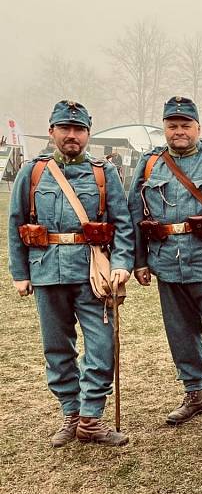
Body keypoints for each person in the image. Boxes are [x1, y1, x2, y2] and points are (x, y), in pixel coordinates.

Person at [8, 100, 134, 446]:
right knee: (57, 348)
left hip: (92, 274)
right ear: (52, 132)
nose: (72, 136)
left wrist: (122, 263)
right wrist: (19, 272)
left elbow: (122, 224)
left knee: (102, 346)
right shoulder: (33, 172)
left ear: (88, 134)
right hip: (46, 271)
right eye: (65, 128)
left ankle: (92, 417)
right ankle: (71, 413)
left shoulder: (103, 172)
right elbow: (16, 222)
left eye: (78, 130)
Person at [127, 97, 202, 435]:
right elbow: (134, 211)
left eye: (185, 125)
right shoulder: (150, 163)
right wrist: (140, 261)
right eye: (172, 125)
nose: (179, 131)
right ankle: (194, 394)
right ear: (164, 128)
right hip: (167, 263)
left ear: (198, 128)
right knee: (180, 334)